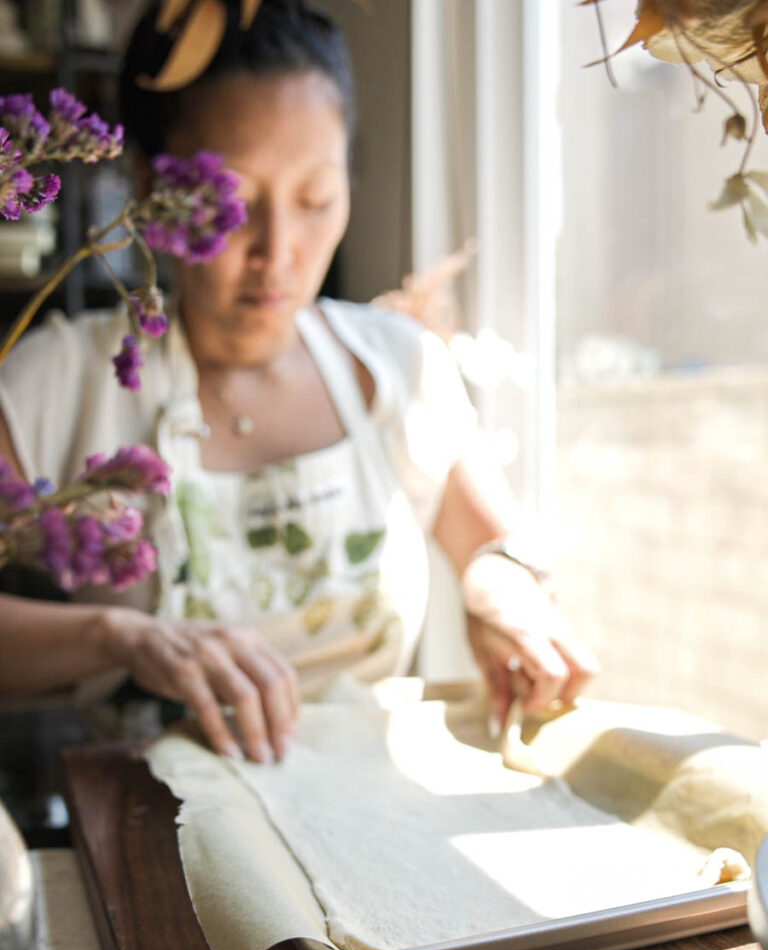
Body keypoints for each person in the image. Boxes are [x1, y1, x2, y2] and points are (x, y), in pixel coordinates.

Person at [0, 0, 599, 764]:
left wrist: (500, 587)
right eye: (234, 204)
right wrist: (118, 636)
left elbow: (493, 545)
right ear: (150, 187)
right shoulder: (63, 381)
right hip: (157, 831)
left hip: (373, 802)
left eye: (316, 199)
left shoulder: (397, 365)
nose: (278, 251)